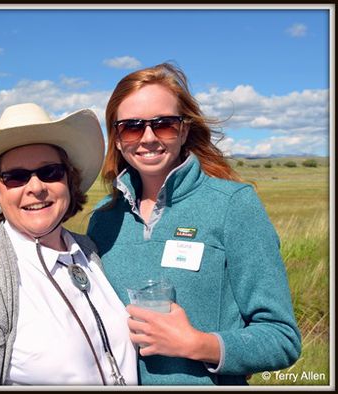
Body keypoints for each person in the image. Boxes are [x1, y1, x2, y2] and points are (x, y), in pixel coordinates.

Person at [87, 63, 301, 385]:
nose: (148, 138)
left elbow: (282, 338)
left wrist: (198, 345)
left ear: (184, 130)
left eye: (164, 124)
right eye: (132, 127)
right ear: (117, 139)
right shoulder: (103, 220)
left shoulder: (232, 205)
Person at [0, 103, 138, 385]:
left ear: (69, 180)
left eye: (50, 172)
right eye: (16, 177)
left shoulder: (88, 251)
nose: (36, 187)